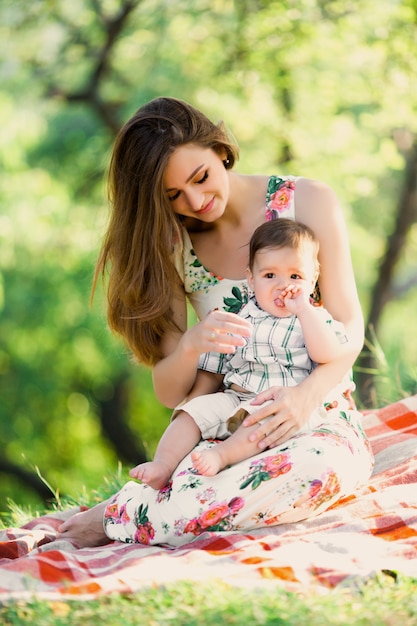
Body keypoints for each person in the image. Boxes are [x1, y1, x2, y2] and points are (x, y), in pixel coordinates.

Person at [58, 96, 374, 548]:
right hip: (228, 423)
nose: (196, 201)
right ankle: (137, 512)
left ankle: (122, 516)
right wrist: (190, 345)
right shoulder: (172, 241)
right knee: (203, 475)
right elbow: (171, 390)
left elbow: (350, 328)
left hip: (316, 415)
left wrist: (304, 399)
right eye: (173, 196)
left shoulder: (307, 201)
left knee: (318, 471)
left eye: (201, 177)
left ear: (220, 150)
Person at [130, 218, 350, 488]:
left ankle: (222, 456)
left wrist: (304, 309)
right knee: (191, 412)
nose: (283, 285)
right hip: (235, 397)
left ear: (313, 277)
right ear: (251, 278)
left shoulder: (314, 318)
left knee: (260, 421)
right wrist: (198, 411)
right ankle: (163, 464)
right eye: (270, 276)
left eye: (295, 276)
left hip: (282, 405)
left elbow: (328, 355)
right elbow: (215, 366)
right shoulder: (238, 318)